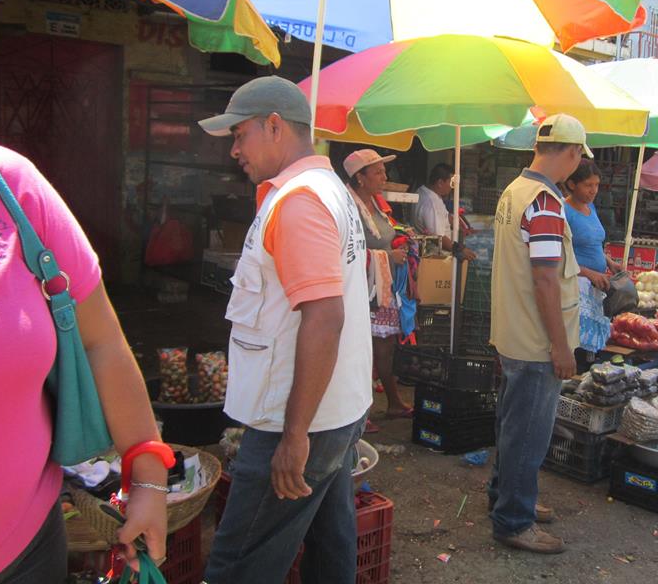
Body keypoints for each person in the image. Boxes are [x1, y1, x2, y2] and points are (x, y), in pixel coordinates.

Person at [0, 136, 168, 583]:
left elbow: (100, 341)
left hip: (25, 555)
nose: (237, 149)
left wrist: (148, 477)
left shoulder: (3, 183)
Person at [198, 76, 372, 584]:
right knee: (328, 539)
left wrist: (293, 435)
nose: (234, 150)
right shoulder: (325, 190)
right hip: (333, 408)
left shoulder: (299, 201)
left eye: (239, 135)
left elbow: (324, 316)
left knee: (240, 562)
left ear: (274, 126)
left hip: (298, 420)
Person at [488, 114, 587, 554]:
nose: (577, 165)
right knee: (528, 434)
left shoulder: (515, 191)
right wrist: (561, 346)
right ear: (570, 152)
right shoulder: (545, 202)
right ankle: (514, 520)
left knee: (513, 428)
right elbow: (546, 279)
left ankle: (506, 500)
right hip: (535, 341)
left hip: (513, 333)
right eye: (578, 157)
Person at [344, 148, 414, 419]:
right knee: (363, 352)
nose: (385, 176)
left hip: (382, 291)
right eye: (378, 171)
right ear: (360, 178)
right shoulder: (350, 209)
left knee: (385, 349)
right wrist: (388, 256)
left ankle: (392, 402)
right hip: (362, 293)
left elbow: (385, 234)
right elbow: (347, 251)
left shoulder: (377, 204)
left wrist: (400, 239)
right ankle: (362, 412)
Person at [561, 159, 620, 356]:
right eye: (588, 185)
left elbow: (593, 241)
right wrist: (589, 273)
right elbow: (560, 256)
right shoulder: (563, 211)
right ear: (571, 184)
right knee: (575, 345)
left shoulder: (590, 208)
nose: (594, 190)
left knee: (589, 350)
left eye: (596, 185)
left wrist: (609, 262)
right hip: (576, 289)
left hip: (595, 288)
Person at [414, 162, 476, 261]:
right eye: (451, 183)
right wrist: (459, 250)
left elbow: (443, 216)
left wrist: (459, 224)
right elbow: (438, 237)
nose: (452, 187)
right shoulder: (431, 203)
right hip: (436, 256)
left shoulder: (423, 191)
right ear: (440, 183)